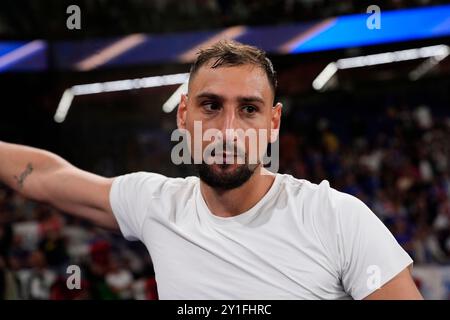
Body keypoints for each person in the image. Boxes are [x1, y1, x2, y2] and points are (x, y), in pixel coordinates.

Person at [0, 40, 423, 300]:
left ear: (273, 123)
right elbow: (45, 177)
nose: (227, 131)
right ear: (183, 114)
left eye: (249, 110)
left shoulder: (336, 219)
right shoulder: (156, 205)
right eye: (211, 106)